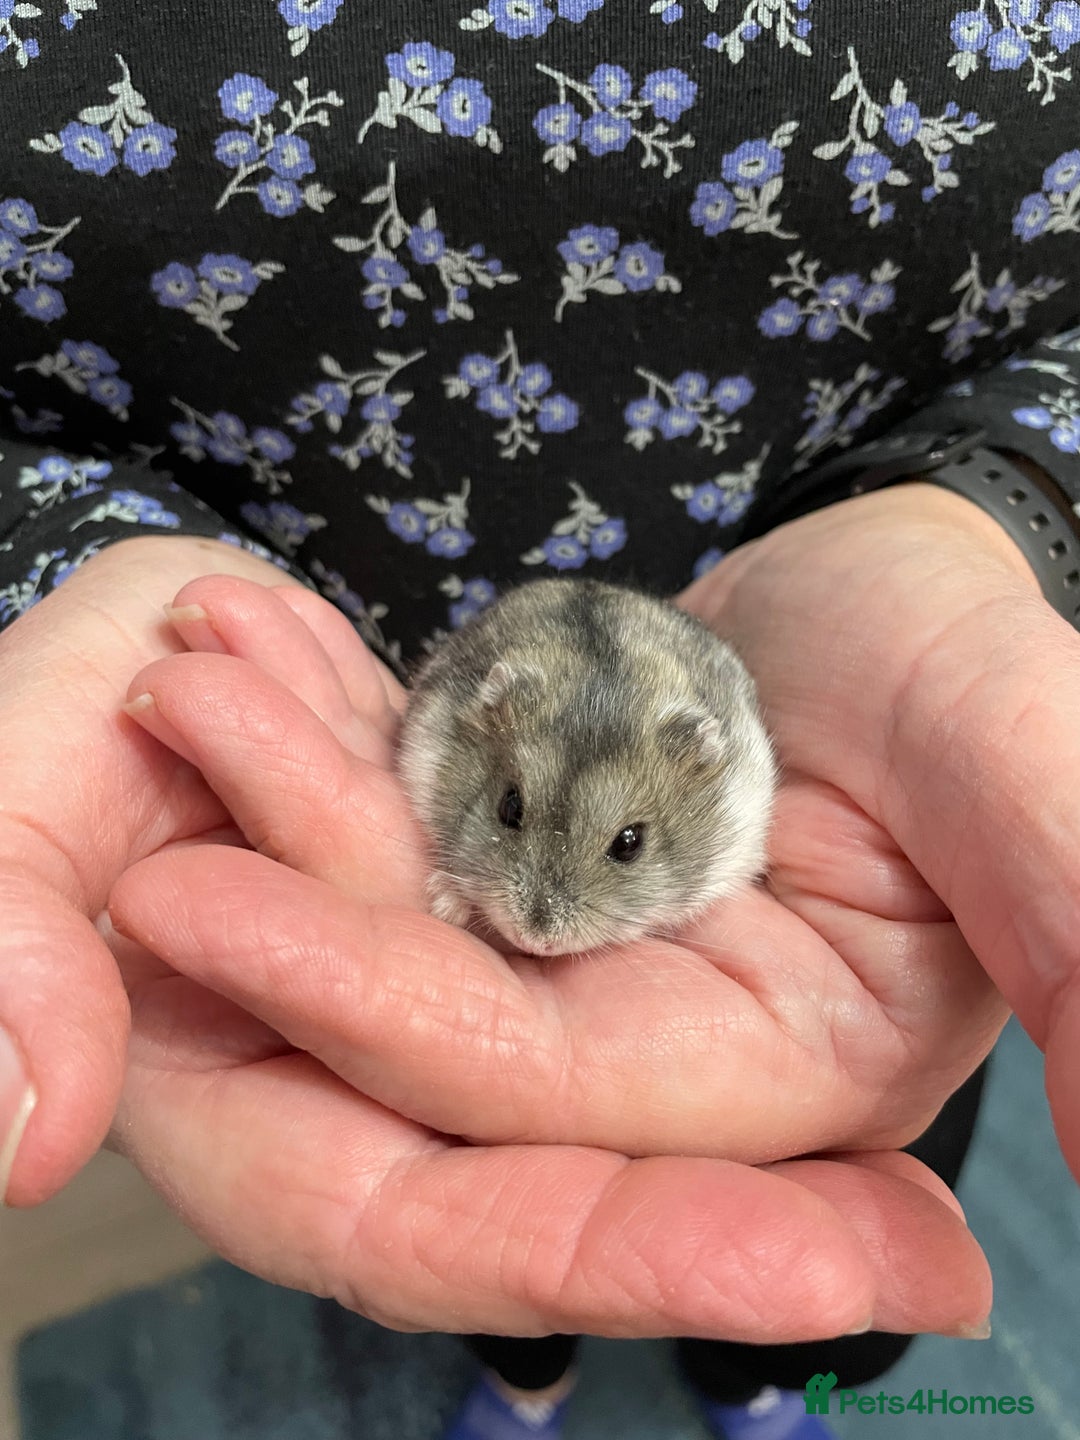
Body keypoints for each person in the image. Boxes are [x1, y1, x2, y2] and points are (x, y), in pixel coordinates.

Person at [1, 3, 1079, 1437]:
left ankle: (763, 1387)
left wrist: (1000, 506)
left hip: (806, 661)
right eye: (511, 823)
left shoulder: (718, 775)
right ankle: (527, 1374)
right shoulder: (477, 718)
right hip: (345, 629)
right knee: (499, 1222)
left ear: (691, 801)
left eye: (628, 851)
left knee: (831, 1219)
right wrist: (59, 548)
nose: (546, 913)